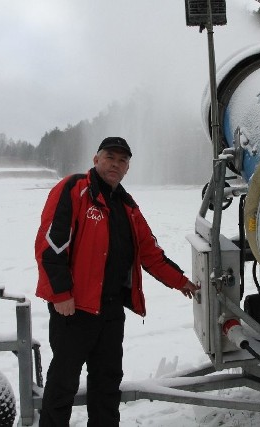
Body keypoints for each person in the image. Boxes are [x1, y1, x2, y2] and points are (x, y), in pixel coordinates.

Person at [34, 136, 199, 426]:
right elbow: (50, 245)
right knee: (62, 385)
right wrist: (60, 294)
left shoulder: (128, 207)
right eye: (110, 157)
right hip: (74, 310)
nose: (116, 164)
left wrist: (181, 282)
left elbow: (150, 253)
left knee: (107, 384)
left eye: (122, 161)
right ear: (96, 159)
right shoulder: (74, 189)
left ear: (127, 169)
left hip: (110, 312)